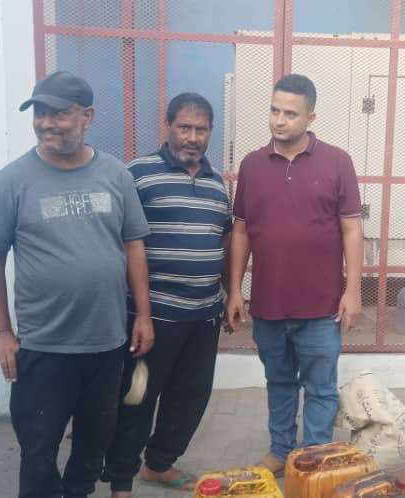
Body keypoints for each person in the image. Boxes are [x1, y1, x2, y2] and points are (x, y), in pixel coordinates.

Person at [0, 70, 154, 498]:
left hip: (105, 344)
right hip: (43, 349)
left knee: (92, 450)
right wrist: (0, 332)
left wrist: (143, 315)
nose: (45, 122)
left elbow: (134, 246)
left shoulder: (116, 176)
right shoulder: (11, 182)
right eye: (39, 112)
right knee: (38, 454)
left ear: (87, 116)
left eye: (58, 113)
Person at [225, 74, 364, 474]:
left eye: (290, 114)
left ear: (310, 117)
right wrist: (235, 290)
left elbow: (352, 229)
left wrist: (353, 290)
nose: (279, 120)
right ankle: (281, 450)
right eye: (274, 111)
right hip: (268, 304)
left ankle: (313, 459)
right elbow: (241, 230)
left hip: (321, 306)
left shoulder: (337, 162)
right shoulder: (252, 165)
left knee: (320, 388)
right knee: (279, 382)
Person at [101, 93, 232, 497]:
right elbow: (119, 243)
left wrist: (230, 295)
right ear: (168, 126)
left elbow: (223, 240)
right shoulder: (137, 174)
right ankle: (121, 481)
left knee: (190, 397)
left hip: (203, 315)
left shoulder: (217, 183)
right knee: (137, 399)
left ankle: (158, 465)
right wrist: (137, 313)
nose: (192, 137)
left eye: (201, 129)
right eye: (184, 127)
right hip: (151, 317)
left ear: (210, 132)